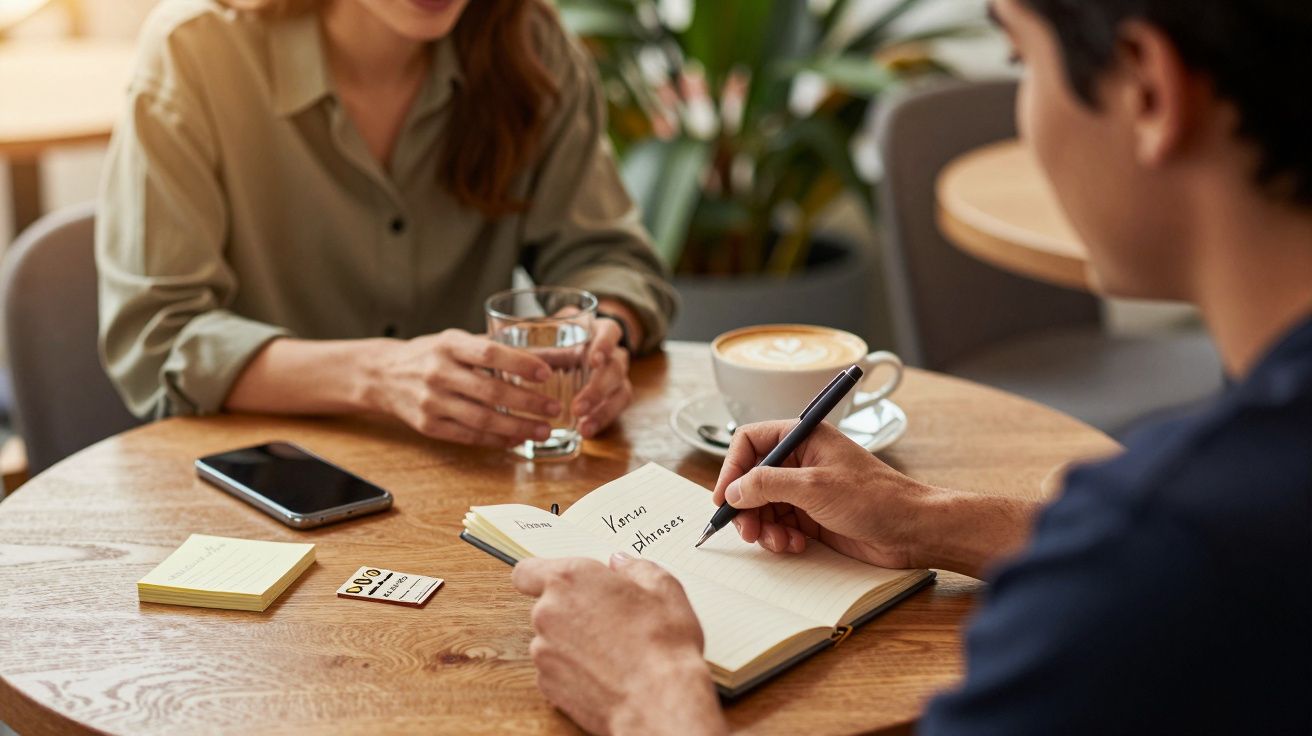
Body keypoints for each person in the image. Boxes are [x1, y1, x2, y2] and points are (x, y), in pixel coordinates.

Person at [510, 0, 1312, 733]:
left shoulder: (1152, 557)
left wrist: (649, 695)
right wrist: (923, 516)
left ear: (1147, 89)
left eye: (1020, 64)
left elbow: (1164, 562)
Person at [96, 0, 676, 447]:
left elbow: (611, 257)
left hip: (473, 480)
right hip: (261, 485)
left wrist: (600, 334)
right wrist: (378, 375)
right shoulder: (196, 52)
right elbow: (160, 338)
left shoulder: (533, 45)